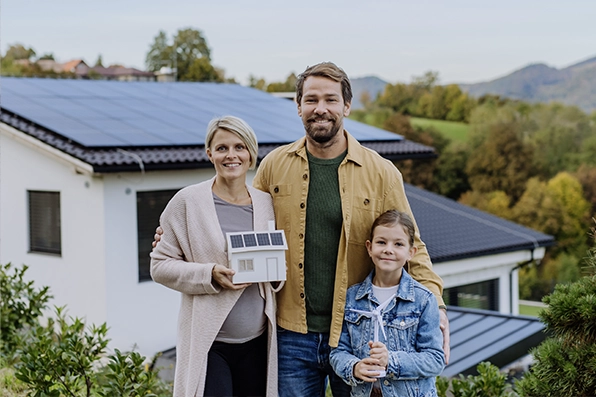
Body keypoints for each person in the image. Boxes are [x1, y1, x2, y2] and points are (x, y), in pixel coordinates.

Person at [154, 62, 450, 397]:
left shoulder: (381, 172)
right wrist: (175, 234)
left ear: (346, 106)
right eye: (311, 100)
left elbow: (412, 245)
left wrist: (436, 306)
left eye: (330, 100)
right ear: (298, 107)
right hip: (290, 334)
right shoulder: (275, 166)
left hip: (355, 333)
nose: (320, 108)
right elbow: (243, 212)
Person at [150, 116, 280, 397]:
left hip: (258, 342)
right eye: (222, 148)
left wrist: (276, 273)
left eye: (239, 147)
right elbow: (159, 266)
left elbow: (276, 262)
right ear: (209, 153)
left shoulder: (267, 203)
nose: (231, 155)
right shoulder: (188, 202)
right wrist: (208, 275)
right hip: (210, 344)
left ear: (251, 154)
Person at [329, 210, 445, 397]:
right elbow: (338, 352)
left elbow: (435, 359)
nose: (388, 249)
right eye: (381, 242)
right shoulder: (351, 298)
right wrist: (354, 367)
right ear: (369, 247)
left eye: (398, 244)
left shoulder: (424, 299)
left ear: (411, 252)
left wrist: (390, 360)